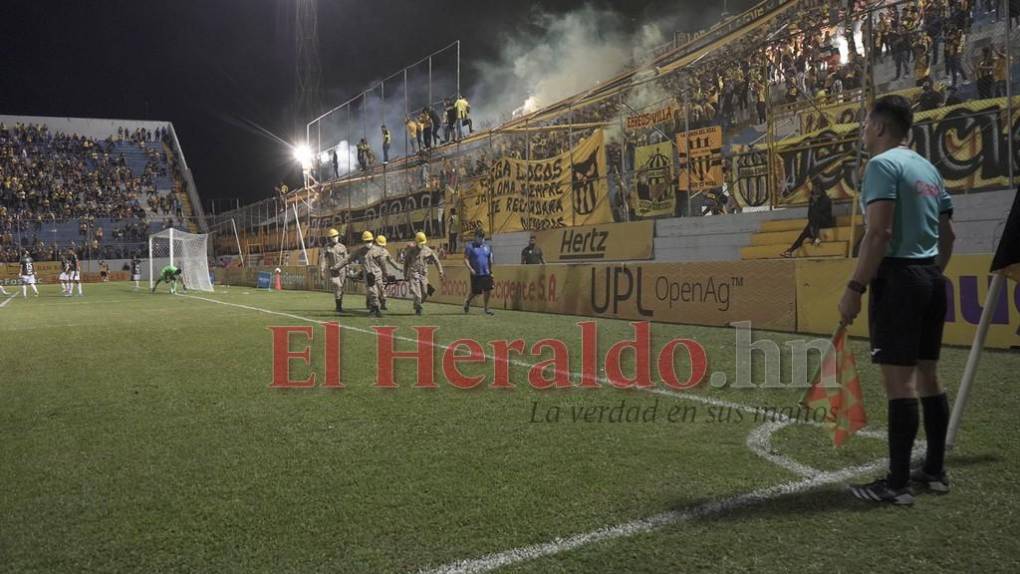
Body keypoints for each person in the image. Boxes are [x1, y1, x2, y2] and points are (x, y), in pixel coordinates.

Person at [839, 95, 956, 506]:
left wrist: (855, 287)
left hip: (899, 280)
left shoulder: (881, 166)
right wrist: (931, 272)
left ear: (881, 128)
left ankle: (897, 483)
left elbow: (879, 233)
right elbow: (949, 237)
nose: (863, 130)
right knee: (929, 375)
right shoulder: (928, 169)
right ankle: (936, 471)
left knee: (899, 384)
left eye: (866, 123)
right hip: (930, 278)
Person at [333, 231, 401, 317]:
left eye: (369, 241)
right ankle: (375, 309)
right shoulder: (359, 251)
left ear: (372, 240)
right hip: (368, 275)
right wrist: (336, 267)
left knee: (381, 292)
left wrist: (387, 274)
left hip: (378, 275)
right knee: (373, 292)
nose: (368, 243)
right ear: (363, 241)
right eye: (366, 241)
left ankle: (376, 307)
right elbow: (347, 259)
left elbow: (383, 264)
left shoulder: (379, 251)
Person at [780, 178, 834, 257]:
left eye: (816, 188)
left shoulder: (826, 200)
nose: (815, 189)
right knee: (804, 233)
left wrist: (816, 203)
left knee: (816, 217)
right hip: (814, 224)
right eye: (814, 187)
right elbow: (809, 214)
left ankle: (815, 237)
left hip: (825, 222)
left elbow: (820, 212)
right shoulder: (812, 199)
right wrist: (813, 204)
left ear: (820, 188)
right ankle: (790, 250)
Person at [403, 232, 444, 315]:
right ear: (416, 242)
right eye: (419, 243)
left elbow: (436, 261)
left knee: (425, 293)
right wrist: (405, 274)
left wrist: (440, 271)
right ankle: (418, 308)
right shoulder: (411, 251)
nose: (421, 245)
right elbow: (406, 263)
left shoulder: (428, 251)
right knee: (418, 294)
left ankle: (417, 304)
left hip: (423, 274)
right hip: (413, 273)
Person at [463, 228, 494, 316]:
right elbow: (465, 259)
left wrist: (491, 271)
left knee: (488, 290)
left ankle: (486, 308)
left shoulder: (487, 247)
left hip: (486, 272)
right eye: (479, 236)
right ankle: (467, 301)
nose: (481, 239)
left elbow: (489, 260)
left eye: (482, 237)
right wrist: (470, 269)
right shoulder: (470, 247)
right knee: (476, 292)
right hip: (476, 273)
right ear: (475, 237)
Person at [319, 227, 348, 314]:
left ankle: (339, 306)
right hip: (333, 270)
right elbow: (323, 259)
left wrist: (348, 269)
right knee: (337, 286)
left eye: (336, 236)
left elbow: (347, 259)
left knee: (341, 288)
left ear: (338, 236)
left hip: (342, 270)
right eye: (333, 236)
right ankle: (338, 305)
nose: (335, 237)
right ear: (330, 238)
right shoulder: (327, 247)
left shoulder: (342, 247)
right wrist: (322, 270)